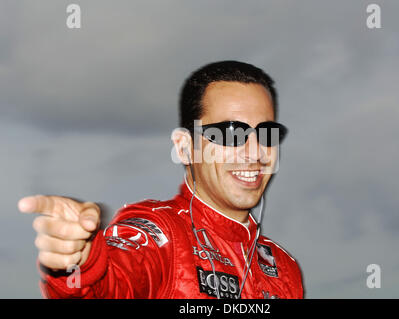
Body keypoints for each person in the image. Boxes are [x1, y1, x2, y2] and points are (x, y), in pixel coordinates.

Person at [18, 60, 304, 299]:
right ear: (184, 148)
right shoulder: (162, 235)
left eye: (266, 134)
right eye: (231, 133)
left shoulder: (284, 267)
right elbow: (114, 282)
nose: (255, 153)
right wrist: (82, 261)